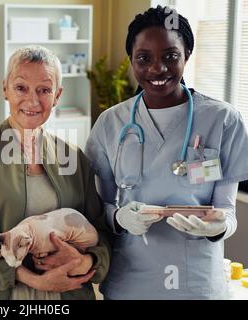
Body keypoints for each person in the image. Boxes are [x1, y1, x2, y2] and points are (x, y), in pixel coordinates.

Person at [85, 6, 248, 299]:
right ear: (131, 60)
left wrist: (219, 225)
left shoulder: (223, 120)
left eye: (170, 56)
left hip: (196, 283)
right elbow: (100, 209)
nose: (157, 69)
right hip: (130, 280)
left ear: (187, 54)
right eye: (143, 58)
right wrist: (120, 218)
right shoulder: (110, 124)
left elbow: (227, 211)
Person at [0, 45, 112, 300]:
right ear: (5, 89)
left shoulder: (74, 158)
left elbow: (101, 232)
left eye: (44, 90)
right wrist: (34, 279)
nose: (32, 101)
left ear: (57, 96)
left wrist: (86, 262)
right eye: (21, 88)